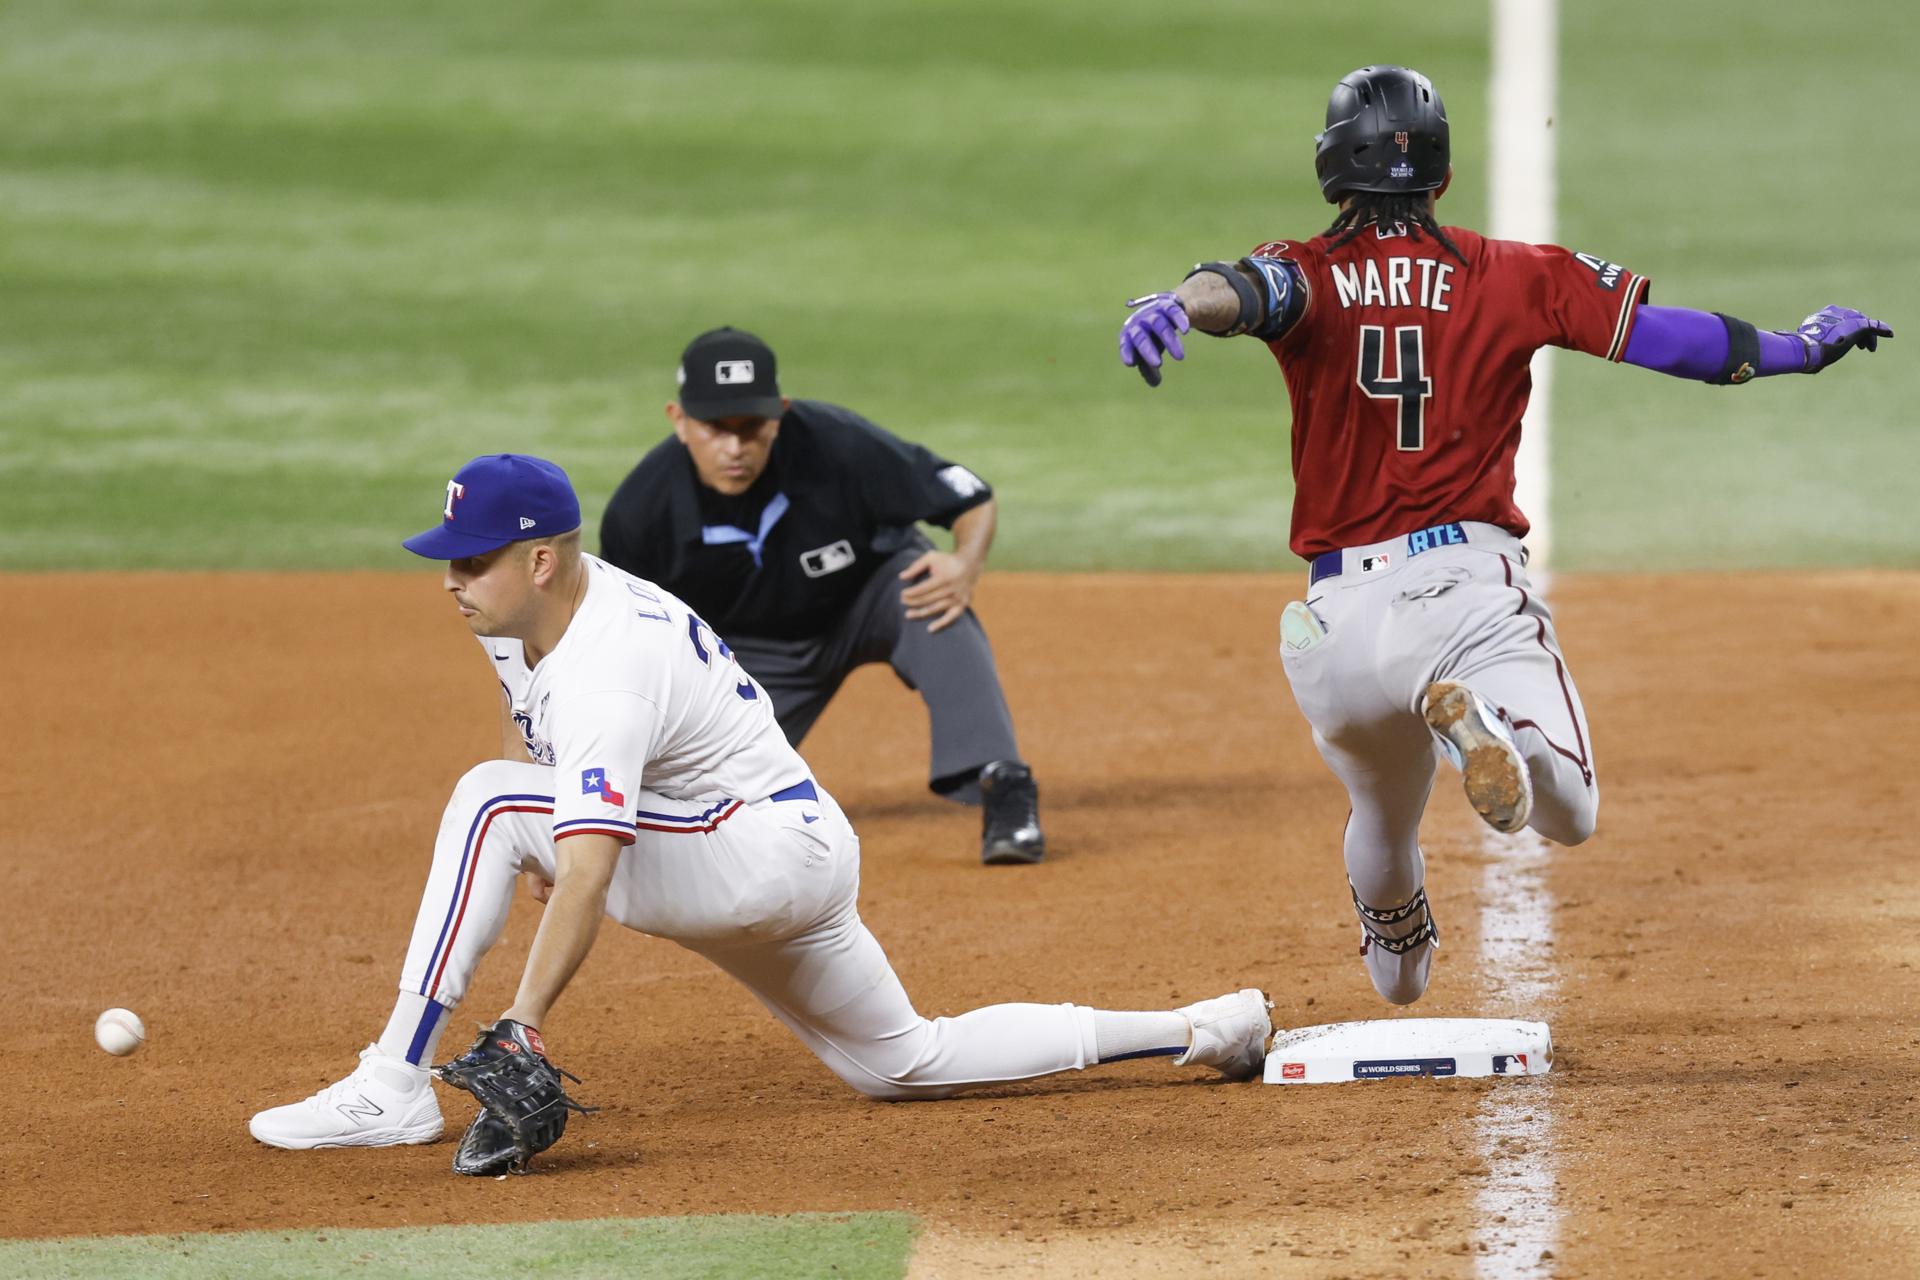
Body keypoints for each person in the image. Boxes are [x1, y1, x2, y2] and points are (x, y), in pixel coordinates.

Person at [247, 454, 1270, 1172]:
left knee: (488, 798)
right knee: (903, 1059)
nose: (451, 581)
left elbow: (590, 861)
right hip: (777, 846)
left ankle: (394, 1079)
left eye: (471, 560)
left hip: (754, 855)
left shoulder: (608, 662)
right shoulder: (524, 619)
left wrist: (521, 1023)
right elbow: (555, 767)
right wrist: (555, 832)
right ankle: (1203, 1026)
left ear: (542, 559)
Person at [1116, 65, 1892, 1006]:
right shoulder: (1513, 273)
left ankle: (1398, 954)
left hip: (1333, 631)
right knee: (1570, 813)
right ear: (1438, 172)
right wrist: (1798, 347)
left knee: (1381, 821)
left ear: (1333, 167)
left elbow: (1237, 288)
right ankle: (1497, 732)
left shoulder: (1306, 272)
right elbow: (1677, 343)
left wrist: (1175, 303)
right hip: (1460, 601)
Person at [599, 328, 1045, 866]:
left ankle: (1007, 788)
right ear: (678, 420)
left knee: (932, 595)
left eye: (752, 427)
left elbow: (968, 495)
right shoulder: (641, 514)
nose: (735, 447)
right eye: (716, 429)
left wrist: (965, 564)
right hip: (755, 654)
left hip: (870, 599)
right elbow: (626, 644)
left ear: (780, 413)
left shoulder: (837, 442)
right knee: (696, 800)